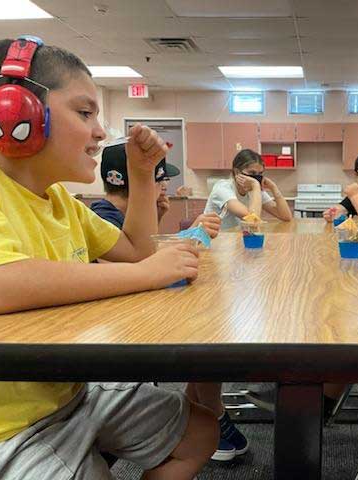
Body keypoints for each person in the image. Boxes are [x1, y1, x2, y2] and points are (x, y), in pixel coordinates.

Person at [0, 37, 218, 479]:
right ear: (13, 112)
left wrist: (141, 173)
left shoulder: (59, 199)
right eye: (84, 112)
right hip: (7, 428)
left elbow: (136, 250)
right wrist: (148, 276)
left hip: (69, 394)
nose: (99, 131)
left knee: (201, 433)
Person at [90, 144, 245, 462]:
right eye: (156, 179)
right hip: (118, 330)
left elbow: (154, 259)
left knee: (208, 319)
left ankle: (203, 410)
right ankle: (211, 413)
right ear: (128, 179)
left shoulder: (129, 217)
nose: (164, 186)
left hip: (135, 314)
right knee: (206, 328)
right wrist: (193, 234)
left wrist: (176, 226)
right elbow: (141, 270)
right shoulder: (102, 216)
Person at [91, 142, 221, 238]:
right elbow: (143, 263)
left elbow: (146, 249)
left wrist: (155, 218)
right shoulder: (105, 221)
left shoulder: (115, 214)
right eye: (160, 181)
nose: (164, 187)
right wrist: (193, 233)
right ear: (140, 184)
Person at [204, 148, 292, 229]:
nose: (256, 177)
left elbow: (286, 216)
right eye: (252, 173)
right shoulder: (222, 188)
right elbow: (252, 221)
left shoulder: (254, 189)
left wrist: (274, 188)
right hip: (214, 240)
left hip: (234, 240)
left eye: (260, 174)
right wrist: (256, 186)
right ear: (237, 172)